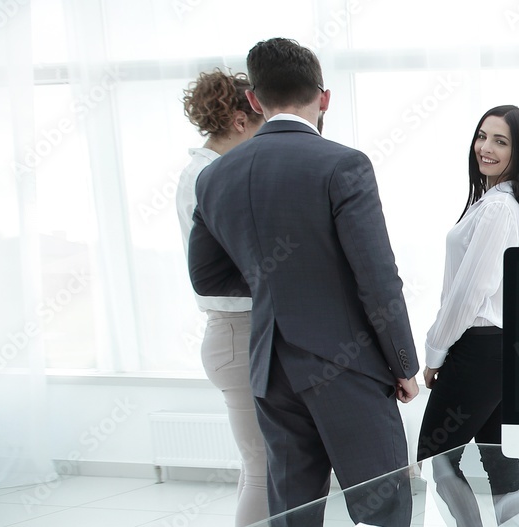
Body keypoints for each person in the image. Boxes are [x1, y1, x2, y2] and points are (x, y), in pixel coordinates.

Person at [186, 38, 420, 527]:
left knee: (293, 509)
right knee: (384, 506)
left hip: (269, 367)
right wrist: (403, 363)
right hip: (346, 362)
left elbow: (207, 276)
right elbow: (377, 276)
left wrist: (275, 282)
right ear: (324, 98)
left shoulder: (214, 177)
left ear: (255, 100)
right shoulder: (343, 164)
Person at [417, 105, 519, 526]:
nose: (485, 147)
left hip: (479, 349)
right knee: (499, 460)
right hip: (497, 350)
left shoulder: (498, 209)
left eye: (500, 141)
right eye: (482, 136)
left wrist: (435, 352)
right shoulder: (503, 205)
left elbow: (469, 292)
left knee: (437, 458)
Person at [176, 68, 268, 527]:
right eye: (260, 124)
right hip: (236, 332)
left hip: (238, 331)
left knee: (258, 466)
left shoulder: (204, 172)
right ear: (239, 120)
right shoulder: (209, 176)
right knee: (264, 469)